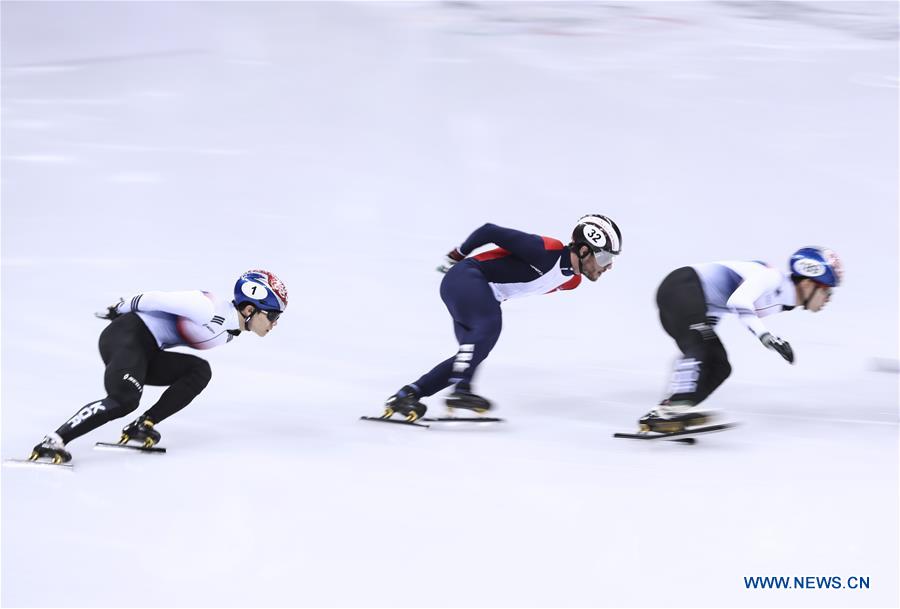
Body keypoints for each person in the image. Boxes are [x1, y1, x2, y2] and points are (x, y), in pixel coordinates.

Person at [29, 269, 288, 464]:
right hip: (126, 336)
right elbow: (155, 298)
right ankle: (54, 441)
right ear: (250, 309)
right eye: (273, 315)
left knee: (199, 371)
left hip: (148, 350)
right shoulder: (209, 308)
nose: (275, 323)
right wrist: (119, 308)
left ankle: (143, 425)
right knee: (124, 399)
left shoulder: (230, 330)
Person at [383, 215, 622, 421]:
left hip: (477, 292)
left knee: (472, 355)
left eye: (611, 260)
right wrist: (457, 255)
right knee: (489, 326)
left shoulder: (572, 281)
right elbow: (489, 231)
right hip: (467, 277)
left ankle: (408, 394)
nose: (608, 266)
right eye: (604, 258)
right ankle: (462, 390)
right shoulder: (546, 250)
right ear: (583, 250)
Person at [639, 247, 843, 432]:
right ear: (807, 284)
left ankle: (672, 410)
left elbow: (717, 300)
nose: (829, 298)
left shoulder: (782, 299)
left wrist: (707, 327)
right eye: (826, 290)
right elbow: (738, 301)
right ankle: (670, 411)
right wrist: (766, 337)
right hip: (681, 286)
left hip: (691, 297)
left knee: (720, 366)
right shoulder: (772, 277)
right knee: (700, 348)